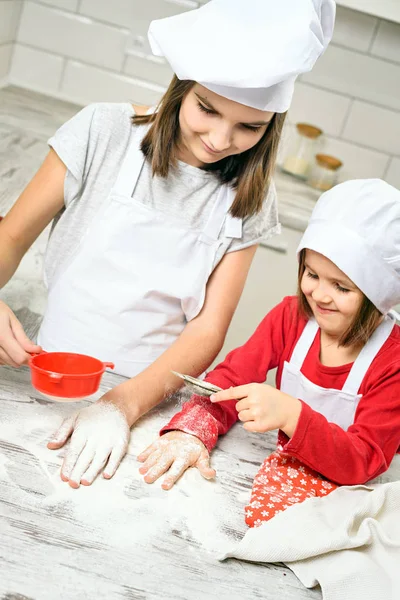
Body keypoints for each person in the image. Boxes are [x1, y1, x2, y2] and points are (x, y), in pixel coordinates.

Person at [0, 0, 335, 487]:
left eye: (250, 127)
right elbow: (10, 235)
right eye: (207, 109)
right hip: (44, 370)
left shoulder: (250, 196)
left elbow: (206, 330)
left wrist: (122, 405)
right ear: (181, 86)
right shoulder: (103, 132)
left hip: (151, 400)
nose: (220, 139)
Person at [139, 179, 400, 527]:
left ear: (377, 296)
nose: (319, 295)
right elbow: (232, 379)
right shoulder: (291, 317)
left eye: (341, 287)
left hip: (346, 507)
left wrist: (293, 415)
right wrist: (193, 428)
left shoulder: (392, 362)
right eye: (311, 274)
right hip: (266, 479)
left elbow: (364, 460)